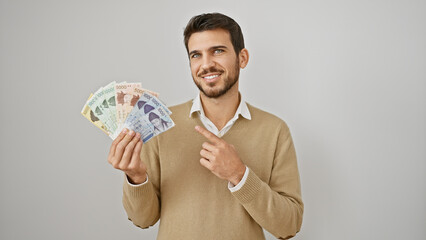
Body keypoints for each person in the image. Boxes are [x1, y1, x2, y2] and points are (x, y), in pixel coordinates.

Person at [107, 13, 303, 239]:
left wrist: (239, 175)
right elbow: (143, 220)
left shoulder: (275, 131)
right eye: (196, 55)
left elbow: (289, 226)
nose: (206, 64)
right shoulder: (161, 126)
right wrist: (136, 176)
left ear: (242, 58)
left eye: (218, 51)